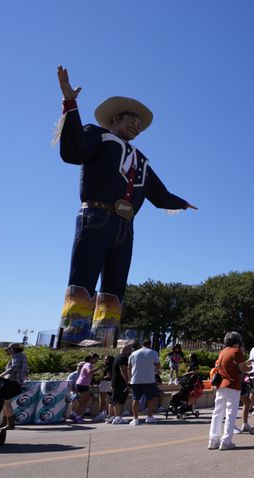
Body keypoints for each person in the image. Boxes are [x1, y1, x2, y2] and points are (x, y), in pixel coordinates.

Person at [55, 66, 198, 345]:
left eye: (140, 126)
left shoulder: (142, 159)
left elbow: (159, 194)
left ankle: (105, 333)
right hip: (96, 214)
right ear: (117, 118)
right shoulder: (97, 134)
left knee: (116, 280)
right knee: (85, 270)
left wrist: (181, 203)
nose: (136, 127)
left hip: (125, 224)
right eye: (132, 121)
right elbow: (75, 152)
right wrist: (70, 105)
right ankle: (74, 332)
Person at [207, 332, 251, 450]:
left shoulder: (223, 352)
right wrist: (250, 368)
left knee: (217, 412)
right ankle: (226, 441)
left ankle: (213, 440)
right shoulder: (236, 352)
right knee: (230, 413)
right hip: (233, 385)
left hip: (221, 385)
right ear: (238, 341)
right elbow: (242, 368)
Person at [128, 339, 162, 425]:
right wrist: (157, 371)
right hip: (149, 379)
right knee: (152, 398)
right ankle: (149, 416)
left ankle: (135, 419)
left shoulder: (134, 353)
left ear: (142, 345)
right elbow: (158, 365)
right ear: (150, 345)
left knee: (135, 399)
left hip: (135, 379)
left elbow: (129, 367)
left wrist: (130, 378)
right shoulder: (153, 352)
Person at [0, 343, 28, 429]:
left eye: (9, 349)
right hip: (17, 382)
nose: (8, 351)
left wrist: (1, 375)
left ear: (13, 349)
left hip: (12, 382)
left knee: (7, 403)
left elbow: (13, 367)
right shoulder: (22, 356)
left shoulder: (17, 356)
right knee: (5, 402)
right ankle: (5, 422)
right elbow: (25, 370)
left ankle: (10, 424)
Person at [71, 353, 102, 423]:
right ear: (91, 359)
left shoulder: (87, 364)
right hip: (82, 384)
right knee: (83, 401)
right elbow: (89, 372)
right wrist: (99, 368)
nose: (96, 361)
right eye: (96, 359)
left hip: (82, 384)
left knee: (86, 399)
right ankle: (76, 415)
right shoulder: (89, 364)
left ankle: (77, 414)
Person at [109, 344, 132, 424]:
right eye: (130, 349)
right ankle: (118, 417)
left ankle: (111, 417)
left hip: (115, 381)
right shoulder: (123, 358)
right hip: (120, 382)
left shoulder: (117, 357)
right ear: (126, 350)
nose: (130, 351)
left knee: (114, 399)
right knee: (120, 400)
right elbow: (123, 370)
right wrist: (127, 381)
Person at [95, 354, 114, 422]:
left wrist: (100, 378)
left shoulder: (108, 367)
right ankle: (104, 413)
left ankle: (102, 413)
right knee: (105, 399)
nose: (104, 360)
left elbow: (109, 376)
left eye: (106, 359)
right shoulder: (112, 366)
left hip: (105, 383)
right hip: (109, 383)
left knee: (102, 399)